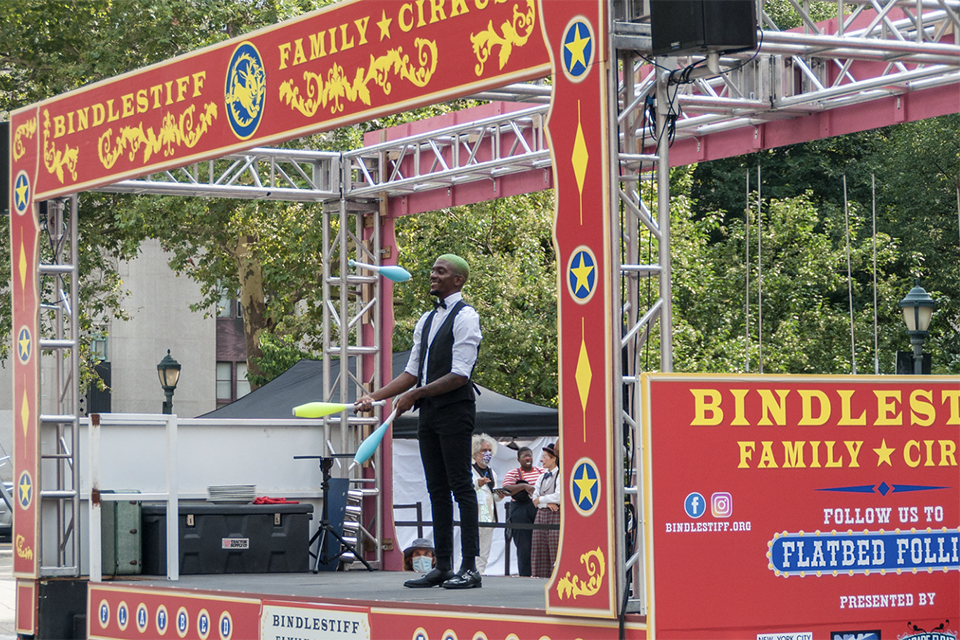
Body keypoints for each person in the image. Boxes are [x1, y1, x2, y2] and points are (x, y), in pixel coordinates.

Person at [356, 254, 483, 589]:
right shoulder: (426, 320)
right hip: (429, 412)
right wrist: (376, 396)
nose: (433, 275)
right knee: (437, 489)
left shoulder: (466, 317)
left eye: (441, 271)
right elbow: (411, 373)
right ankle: (443, 565)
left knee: (461, 487)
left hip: (455, 409)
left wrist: (416, 395)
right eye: (433, 270)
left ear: (458, 280)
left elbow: (460, 374)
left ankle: (470, 567)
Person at [498, 446, 543, 576]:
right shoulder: (513, 473)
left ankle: (541, 574)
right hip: (520, 509)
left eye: (530, 455)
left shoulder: (541, 471)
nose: (528, 458)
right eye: (524, 456)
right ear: (519, 459)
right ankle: (525, 575)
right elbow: (505, 490)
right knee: (524, 547)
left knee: (540, 544)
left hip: (538, 508)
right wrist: (523, 486)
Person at [471, 433, 502, 575]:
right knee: (470, 549)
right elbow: (464, 489)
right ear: (476, 453)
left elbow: (492, 495)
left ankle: (480, 574)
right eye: (484, 451)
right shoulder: (469, 471)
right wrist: (478, 483)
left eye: (489, 450)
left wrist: (500, 495)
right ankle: (465, 572)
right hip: (473, 516)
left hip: (488, 517)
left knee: (484, 552)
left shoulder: (491, 472)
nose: (487, 454)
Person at [531, 441, 560, 578]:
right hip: (541, 515)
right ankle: (539, 578)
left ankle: (556, 578)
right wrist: (546, 503)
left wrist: (542, 500)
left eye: (545, 457)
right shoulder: (541, 477)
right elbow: (534, 498)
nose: (542, 460)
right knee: (539, 549)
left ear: (554, 458)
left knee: (555, 548)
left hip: (556, 515)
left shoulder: (560, 475)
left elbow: (559, 496)